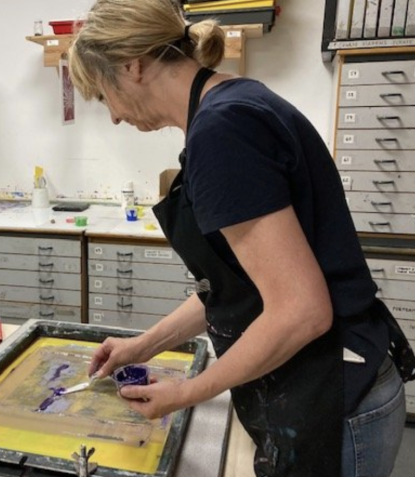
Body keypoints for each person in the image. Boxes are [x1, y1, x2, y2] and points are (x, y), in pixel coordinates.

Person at [68, 1, 415, 476]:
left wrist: (187, 392)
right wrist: (141, 346)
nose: (112, 116)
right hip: (336, 381)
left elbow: (301, 310)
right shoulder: (233, 103)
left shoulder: (222, 132)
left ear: (132, 65)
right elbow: (237, 289)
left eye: (103, 94)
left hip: (336, 400)